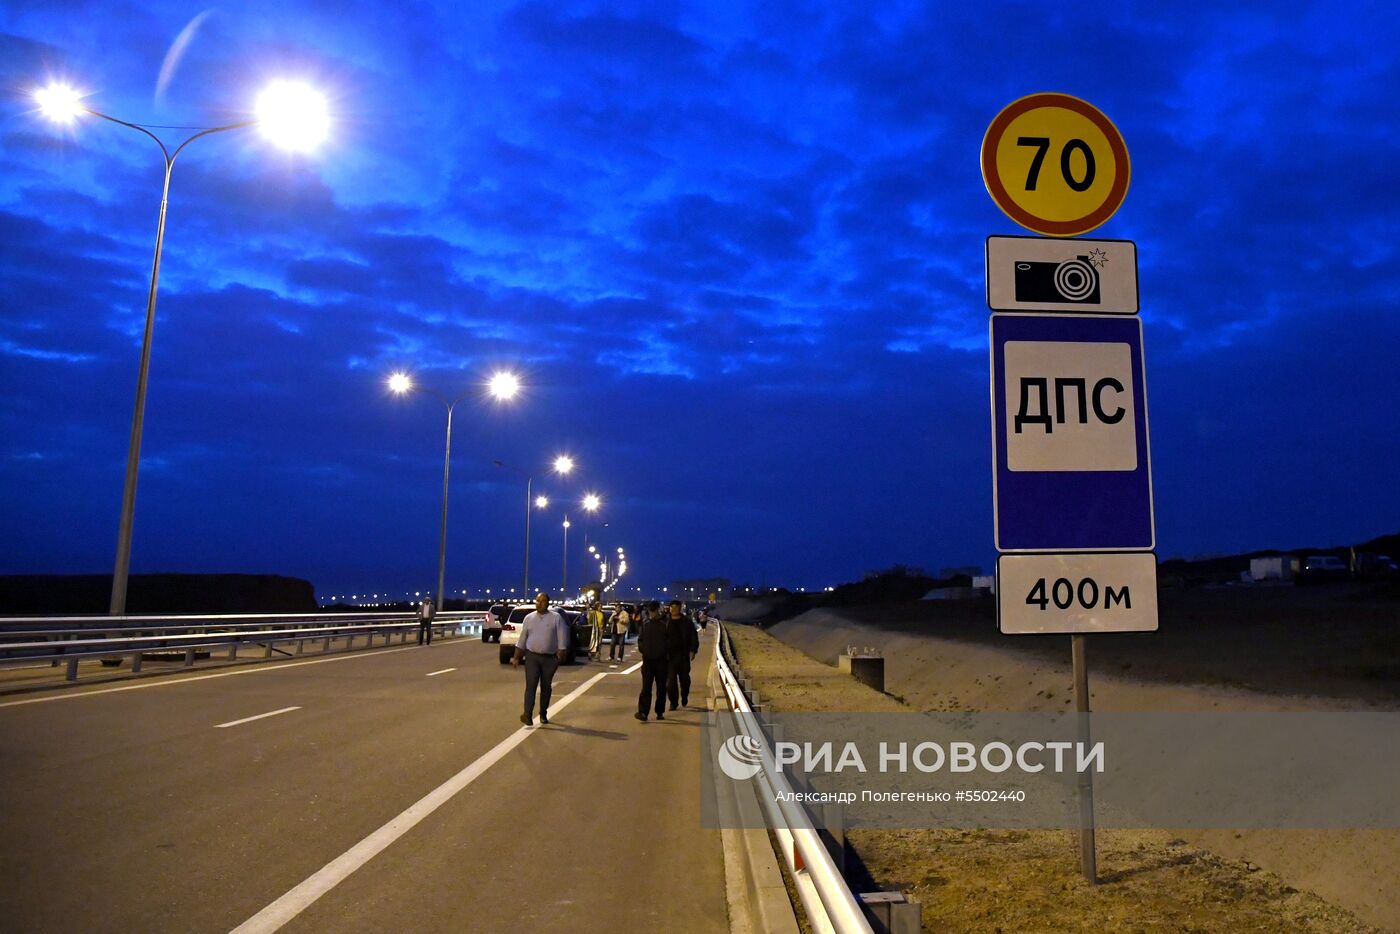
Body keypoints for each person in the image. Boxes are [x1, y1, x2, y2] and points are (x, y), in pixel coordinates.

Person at [511, 592, 569, 726]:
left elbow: (561, 638)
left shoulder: (556, 618)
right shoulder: (529, 618)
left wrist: (561, 654)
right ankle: (527, 714)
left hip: (549, 658)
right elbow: (522, 640)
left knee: (545, 686)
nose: (539, 603)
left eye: (542, 601)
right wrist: (516, 657)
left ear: (548, 603)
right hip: (532, 656)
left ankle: (543, 713)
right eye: (537, 601)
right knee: (530, 685)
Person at [634, 604, 670, 722]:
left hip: (661, 661)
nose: (653, 613)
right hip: (648, 661)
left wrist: (664, 654)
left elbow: (669, 642)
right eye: (651, 611)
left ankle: (659, 711)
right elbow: (640, 641)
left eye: (654, 611)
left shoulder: (664, 625)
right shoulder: (645, 625)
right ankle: (643, 712)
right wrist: (645, 651)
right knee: (646, 688)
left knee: (661, 688)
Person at [665, 599, 700, 710]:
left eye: (676, 607)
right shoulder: (665, 621)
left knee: (684, 679)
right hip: (669, 656)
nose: (673, 609)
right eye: (672, 607)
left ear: (680, 608)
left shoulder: (687, 622)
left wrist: (693, 650)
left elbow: (693, 637)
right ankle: (673, 702)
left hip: (683, 655)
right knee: (671, 682)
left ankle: (684, 695)